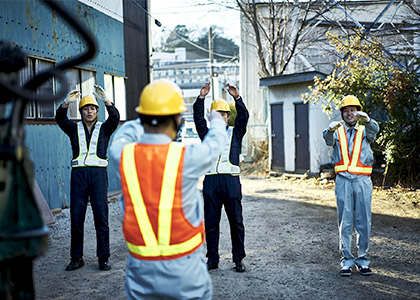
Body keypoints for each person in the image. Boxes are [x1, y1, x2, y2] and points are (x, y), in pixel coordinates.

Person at [109, 79, 227, 300]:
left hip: (141, 274)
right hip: (186, 273)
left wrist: (144, 118)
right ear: (178, 120)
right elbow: (214, 145)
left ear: (142, 118)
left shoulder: (123, 157)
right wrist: (218, 121)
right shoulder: (186, 158)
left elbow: (122, 134)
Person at [56, 85, 120, 271]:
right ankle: (77, 258)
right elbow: (60, 119)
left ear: (97, 111)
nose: (89, 111)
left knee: (101, 217)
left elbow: (114, 118)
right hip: (79, 177)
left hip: (98, 176)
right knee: (76, 218)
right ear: (81, 111)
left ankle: (103, 258)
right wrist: (66, 103)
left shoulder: (105, 128)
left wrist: (107, 101)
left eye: (92, 108)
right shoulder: (73, 128)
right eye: (85, 108)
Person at [193, 82, 249, 272]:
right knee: (211, 223)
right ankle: (213, 259)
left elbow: (244, 117)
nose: (220, 118)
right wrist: (201, 98)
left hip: (231, 182)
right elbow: (197, 119)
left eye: (223, 114)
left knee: (236, 222)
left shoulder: (236, 133)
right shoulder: (206, 134)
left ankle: (238, 259)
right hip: (211, 183)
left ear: (227, 117)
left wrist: (237, 98)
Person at [323, 95, 379, 277]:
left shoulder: (365, 129)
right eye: (346, 110)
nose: (349, 113)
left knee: (364, 221)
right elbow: (327, 139)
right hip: (344, 181)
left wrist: (368, 120)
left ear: (357, 112)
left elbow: (375, 131)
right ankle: (346, 261)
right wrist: (329, 130)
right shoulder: (337, 131)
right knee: (345, 222)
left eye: (353, 110)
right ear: (342, 113)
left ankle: (363, 261)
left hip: (362, 181)